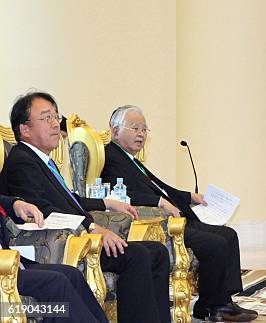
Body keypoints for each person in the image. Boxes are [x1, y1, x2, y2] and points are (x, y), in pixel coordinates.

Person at [0, 92, 171, 323]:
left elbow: (70, 200)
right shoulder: (22, 161)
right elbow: (44, 209)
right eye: (46, 117)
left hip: (75, 235)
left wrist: (106, 203)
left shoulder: (43, 161)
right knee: (137, 255)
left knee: (156, 252)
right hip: (64, 241)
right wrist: (91, 228)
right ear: (25, 130)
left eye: (55, 116)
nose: (55, 123)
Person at [100, 105, 257, 322]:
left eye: (144, 129)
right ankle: (211, 306)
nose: (141, 134)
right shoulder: (109, 156)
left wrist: (190, 197)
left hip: (175, 216)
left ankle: (223, 301)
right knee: (215, 244)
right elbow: (122, 193)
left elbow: (162, 187)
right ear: (115, 131)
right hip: (157, 224)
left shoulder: (132, 160)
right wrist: (160, 202)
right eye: (135, 128)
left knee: (229, 235)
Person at [0, 194, 108, 323]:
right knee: (56, 283)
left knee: (71, 274)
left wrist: (15, 204)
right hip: (4, 270)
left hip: (9, 262)